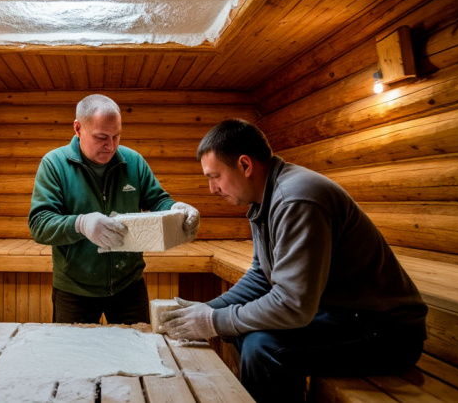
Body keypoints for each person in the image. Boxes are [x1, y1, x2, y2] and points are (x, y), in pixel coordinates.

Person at [160, 119, 427, 402]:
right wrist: (207, 309)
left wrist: (214, 321)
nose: (212, 188)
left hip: (385, 331)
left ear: (245, 165)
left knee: (262, 346)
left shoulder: (296, 199)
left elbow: (293, 306)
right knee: (242, 331)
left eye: (215, 176)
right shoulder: (264, 198)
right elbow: (261, 276)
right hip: (337, 313)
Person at [29, 94, 200, 325]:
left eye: (116, 136)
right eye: (101, 137)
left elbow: (158, 200)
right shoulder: (54, 164)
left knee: (136, 354)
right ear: (78, 128)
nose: (110, 145)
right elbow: (40, 224)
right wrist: (81, 224)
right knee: (70, 357)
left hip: (128, 285)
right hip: (75, 288)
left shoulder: (133, 161)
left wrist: (176, 209)